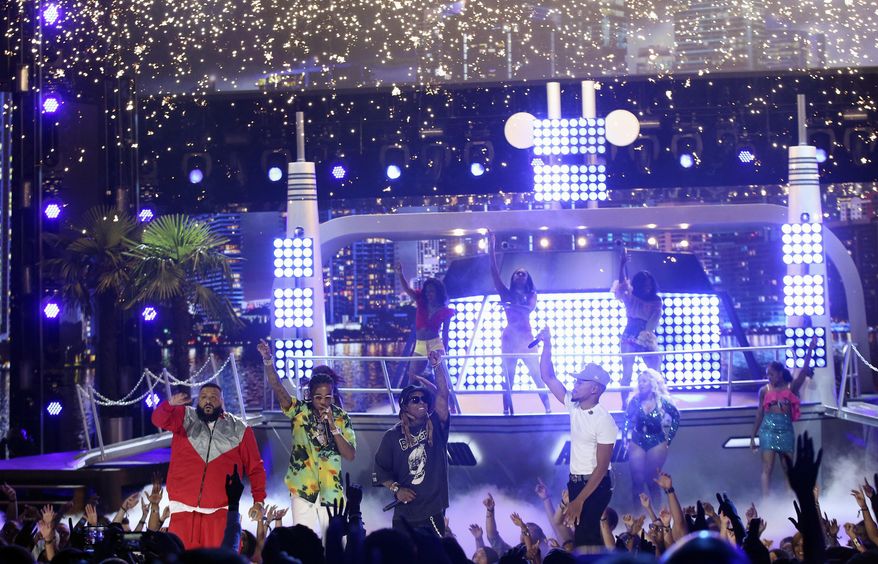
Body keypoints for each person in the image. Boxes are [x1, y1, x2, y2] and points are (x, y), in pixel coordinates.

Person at [258, 339, 356, 538]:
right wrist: (268, 360)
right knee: (304, 545)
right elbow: (278, 388)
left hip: (332, 493)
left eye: (327, 397)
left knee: (335, 547)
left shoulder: (341, 418)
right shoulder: (299, 411)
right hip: (303, 491)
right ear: (310, 395)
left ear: (332, 394)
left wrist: (334, 429)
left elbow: (350, 455)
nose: (323, 402)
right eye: (318, 397)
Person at [151, 382, 266, 549]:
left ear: (221, 401)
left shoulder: (239, 428)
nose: (208, 401)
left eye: (213, 398)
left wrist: (259, 501)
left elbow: (255, 467)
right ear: (198, 401)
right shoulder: (184, 417)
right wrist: (169, 405)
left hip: (220, 513)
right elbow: (158, 419)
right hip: (182, 510)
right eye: (204, 397)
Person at [536, 327, 618, 552]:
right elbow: (547, 376)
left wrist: (579, 500)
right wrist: (547, 344)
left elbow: (602, 468)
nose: (574, 385)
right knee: (581, 534)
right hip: (576, 481)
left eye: (580, 382)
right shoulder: (574, 406)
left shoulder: (604, 421)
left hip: (597, 483)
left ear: (594, 388)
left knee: (587, 534)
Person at [374, 349, 451, 537]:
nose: (422, 403)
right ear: (405, 406)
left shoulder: (436, 426)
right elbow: (381, 471)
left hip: (433, 511)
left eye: (424, 399)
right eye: (415, 400)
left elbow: (443, 396)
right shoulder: (392, 436)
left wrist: (437, 366)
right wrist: (397, 489)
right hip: (404, 514)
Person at [487, 231, 551, 415]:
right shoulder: (505, 293)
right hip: (509, 338)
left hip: (526, 339)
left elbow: (528, 309)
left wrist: (507, 304)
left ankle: (547, 407)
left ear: (527, 279)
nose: (520, 275)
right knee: (508, 376)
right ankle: (506, 410)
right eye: (517, 273)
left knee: (536, 375)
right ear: (513, 278)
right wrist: (491, 247)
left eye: (523, 274)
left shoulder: (531, 294)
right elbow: (493, 271)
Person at [749, 337, 815, 498]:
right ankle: (766, 501)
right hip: (768, 430)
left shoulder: (791, 387)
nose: (769, 377)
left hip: (785, 430)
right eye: (767, 375)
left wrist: (810, 349)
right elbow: (759, 413)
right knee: (767, 468)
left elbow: (804, 371)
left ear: (779, 374)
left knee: (788, 469)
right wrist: (753, 436)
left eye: (771, 374)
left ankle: (790, 501)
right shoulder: (764, 391)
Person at [613, 249, 663, 410]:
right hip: (629, 335)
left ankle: (654, 400)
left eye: (650, 285)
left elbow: (653, 322)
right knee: (627, 373)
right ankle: (624, 404)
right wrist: (621, 265)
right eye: (645, 285)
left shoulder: (656, 301)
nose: (648, 287)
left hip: (646, 335)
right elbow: (621, 286)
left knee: (654, 370)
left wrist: (646, 336)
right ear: (639, 285)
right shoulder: (631, 297)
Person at [623, 368, 680, 505]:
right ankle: (637, 515)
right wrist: (625, 438)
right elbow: (626, 420)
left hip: (657, 442)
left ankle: (656, 515)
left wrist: (669, 438)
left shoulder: (662, 401)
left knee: (652, 479)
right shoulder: (635, 401)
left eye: (644, 381)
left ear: (652, 383)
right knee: (637, 480)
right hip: (637, 440)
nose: (641, 384)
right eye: (639, 381)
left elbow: (676, 417)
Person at [395, 263, 455, 385]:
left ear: (438, 292)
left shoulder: (445, 310)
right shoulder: (421, 301)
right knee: (412, 377)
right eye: (427, 291)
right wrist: (400, 274)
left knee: (441, 377)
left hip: (435, 344)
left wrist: (445, 350)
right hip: (420, 344)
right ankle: (410, 403)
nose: (428, 294)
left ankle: (448, 402)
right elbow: (407, 289)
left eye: (432, 291)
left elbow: (445, 333)